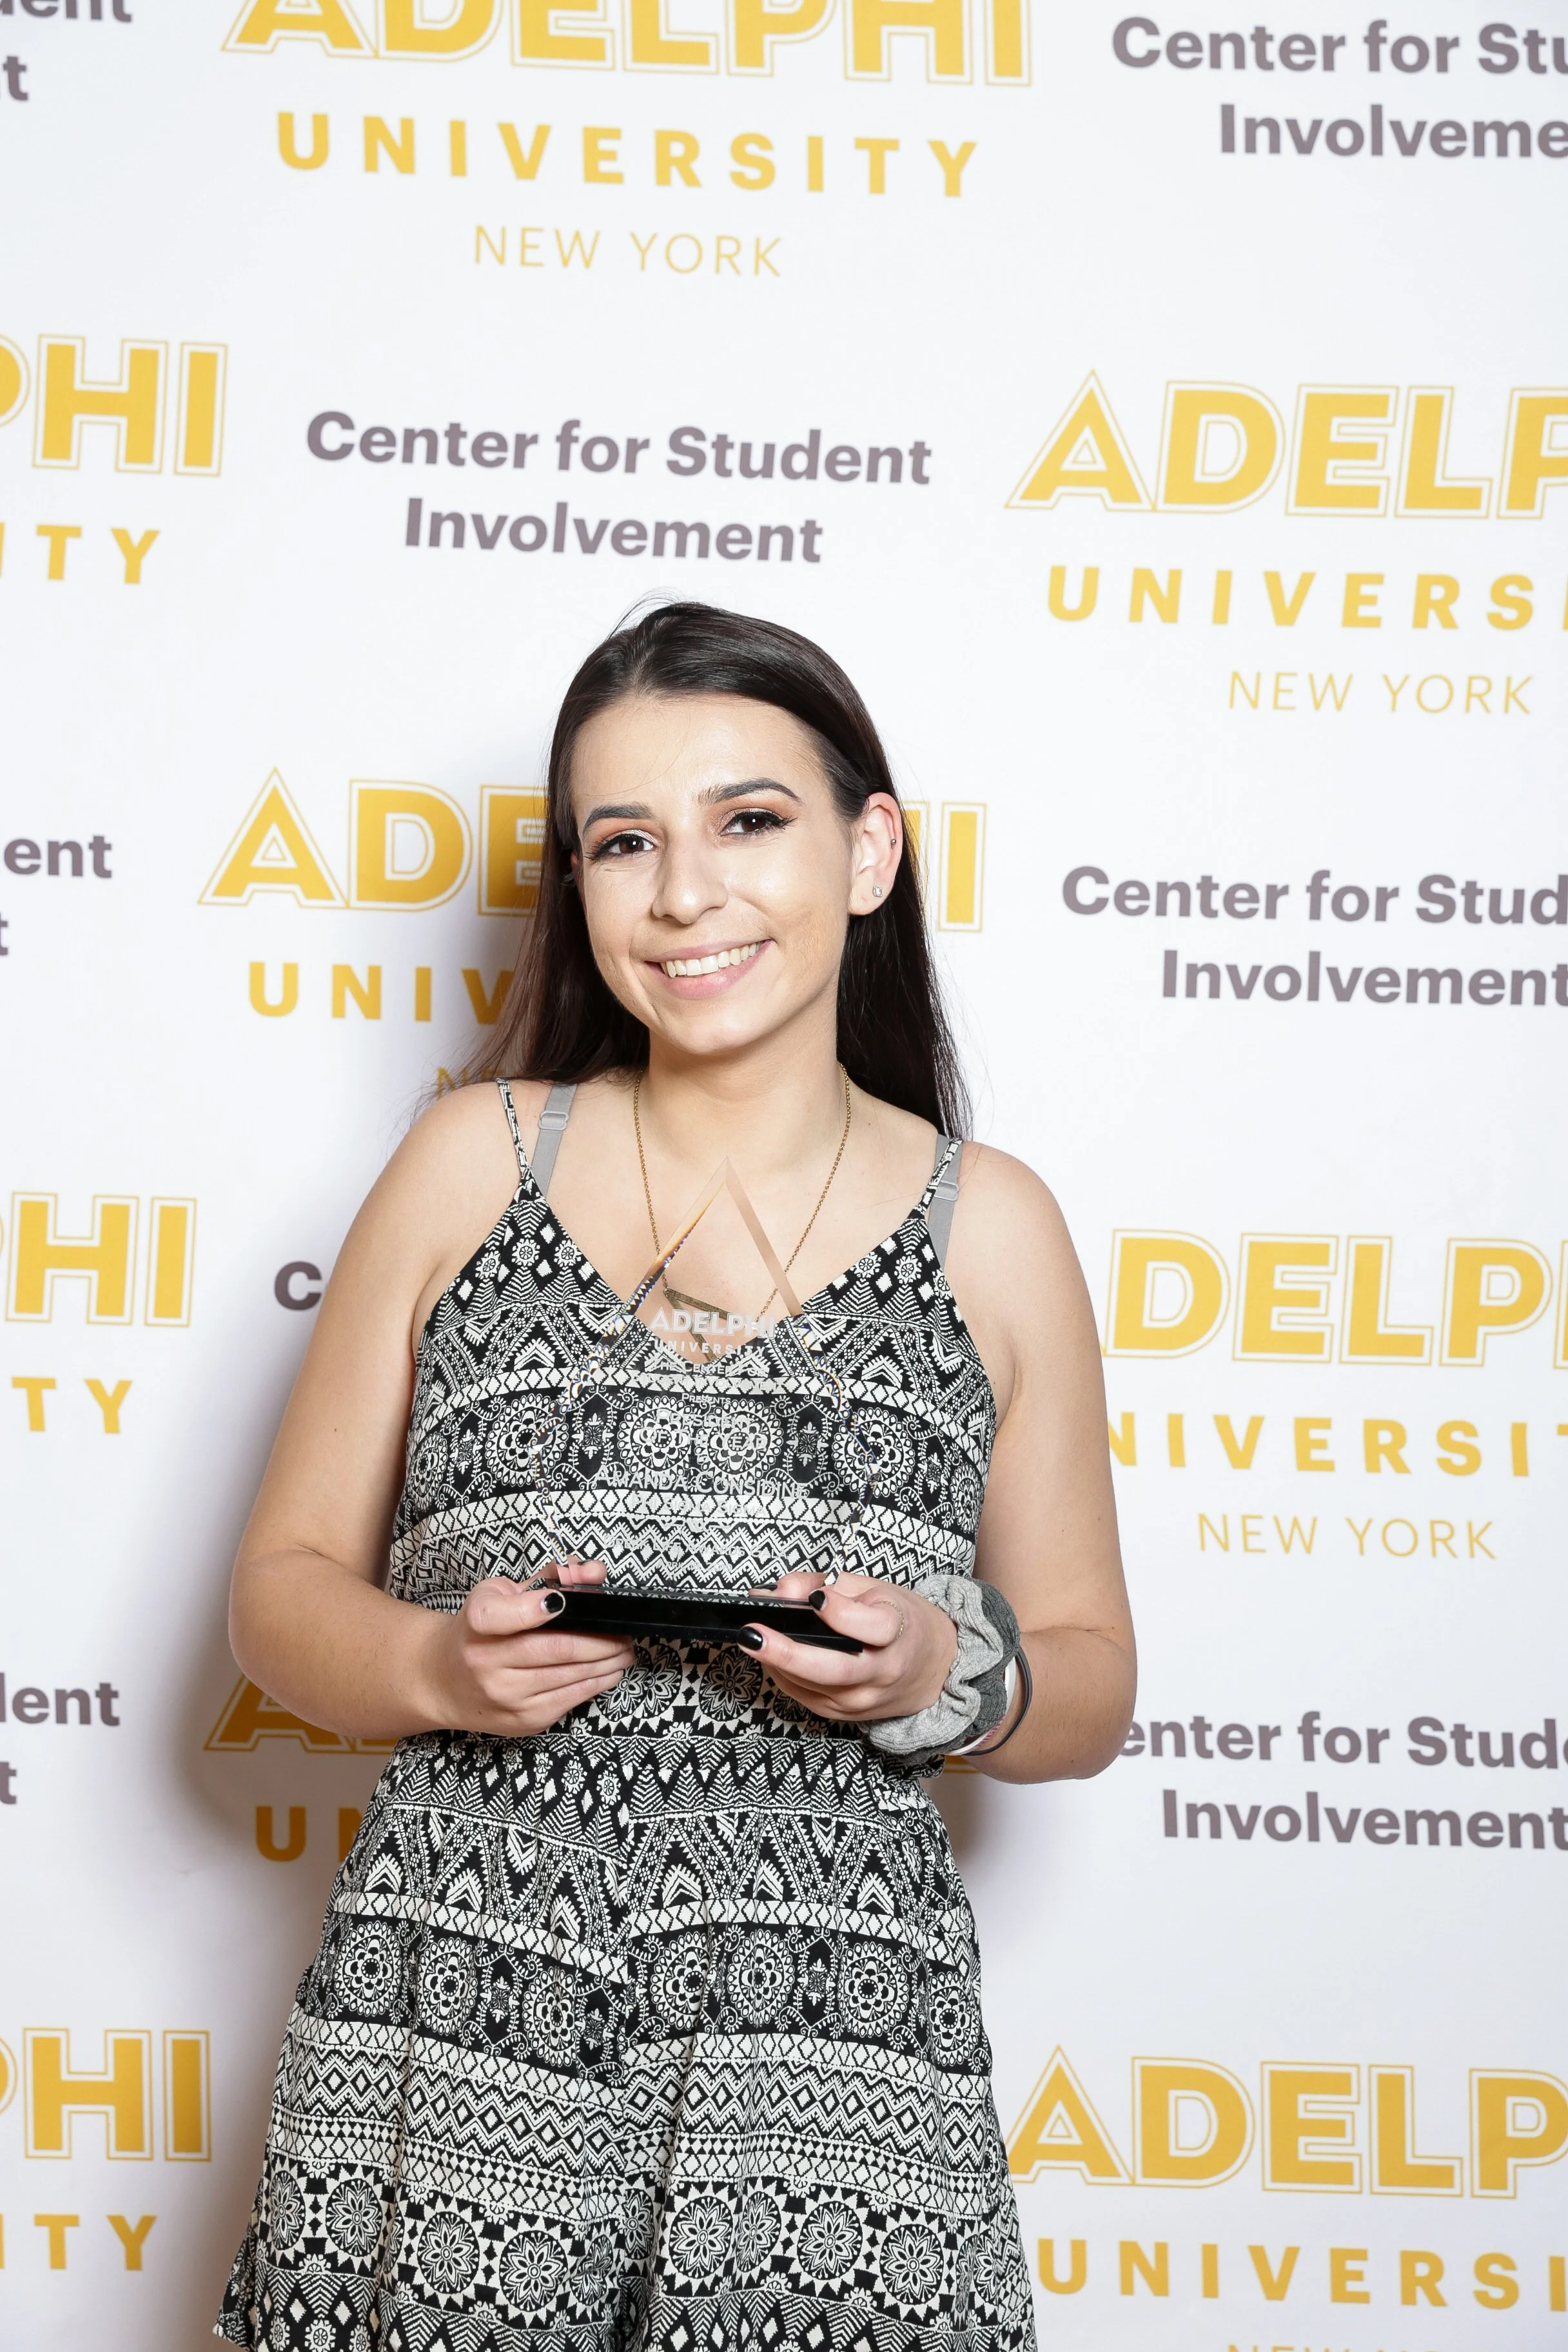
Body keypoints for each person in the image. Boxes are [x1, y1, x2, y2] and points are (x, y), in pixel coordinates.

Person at [217, 602, 1134, 2352]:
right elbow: (277, 1595)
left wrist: (949, 1675)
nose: (683, 894)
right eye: (621, 843)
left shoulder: (994, 1224)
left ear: (870, 852)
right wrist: (429, 1664)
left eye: (750, 822)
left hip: (831, 2052)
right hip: (460, 1999)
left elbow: (1091, 1674)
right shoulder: (464, 1160)